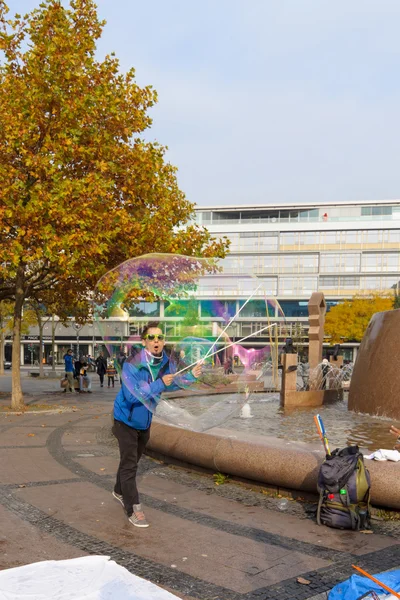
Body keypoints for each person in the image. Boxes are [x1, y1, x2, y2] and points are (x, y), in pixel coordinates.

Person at [112, 321, 202, 528]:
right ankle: (132, 508)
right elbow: (131, 396)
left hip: (144, 420)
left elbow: (172, 384)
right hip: (125, 420)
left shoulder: (164, 363)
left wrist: (191, 377)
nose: (156, 341)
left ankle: (118, 490)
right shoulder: (132, 364)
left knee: (131, 459)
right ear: (144, 342)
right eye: (151, 337)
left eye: (160, 337)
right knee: (130, 464)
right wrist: (160, 383)